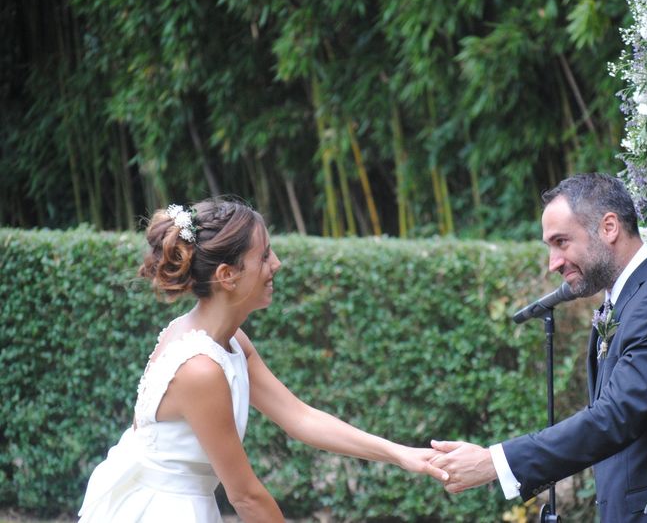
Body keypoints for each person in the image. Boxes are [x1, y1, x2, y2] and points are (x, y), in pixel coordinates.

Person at [78, 198, 447, 522]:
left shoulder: (230, 341)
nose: (277, 264)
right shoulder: (199, 369)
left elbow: (300, 418)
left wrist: (400, 454)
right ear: (228, 276)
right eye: (264, 255)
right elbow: (246, 496)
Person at [430, 173, 647, 522]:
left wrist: (496, 462)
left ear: (609, 227)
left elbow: (616, 417)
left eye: (561, 242)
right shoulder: (623, 299)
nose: (553, 262)